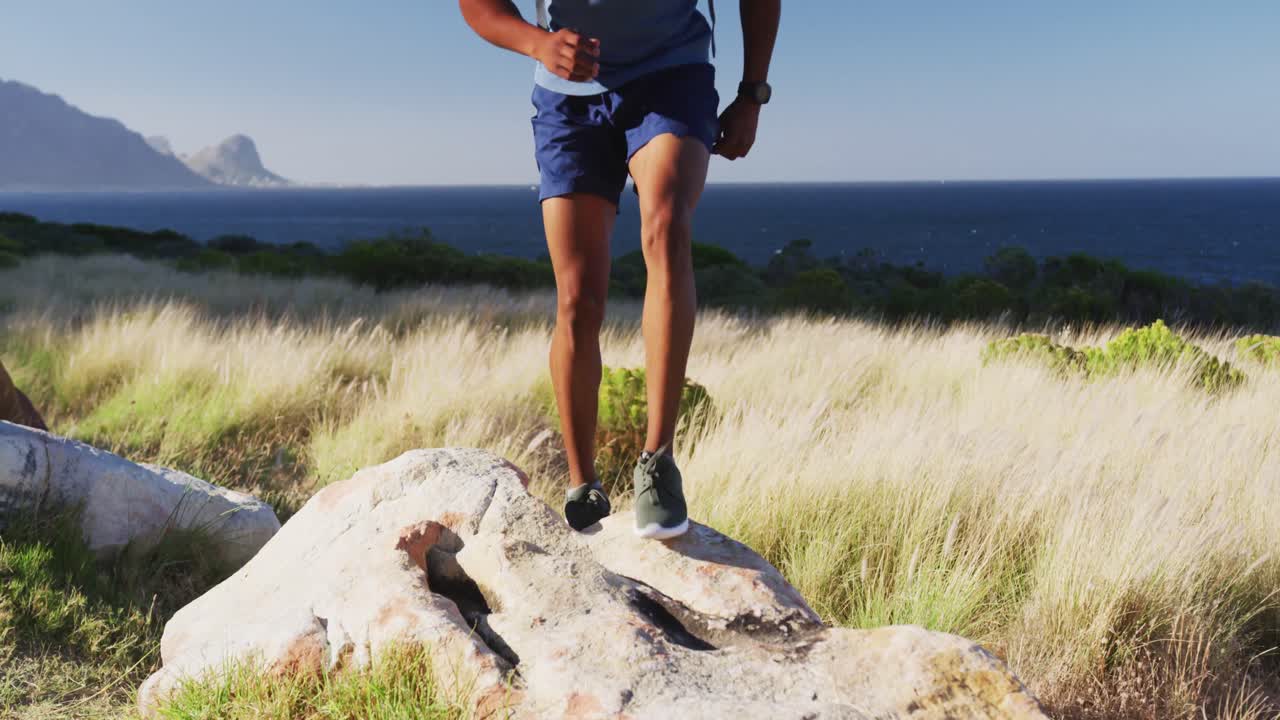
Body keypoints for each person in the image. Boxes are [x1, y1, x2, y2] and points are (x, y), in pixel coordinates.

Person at [459, 0, 780, 539]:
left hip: (672, 76)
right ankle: (583, 485)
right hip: (568, 100)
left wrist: (752, 94)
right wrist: (538, 43)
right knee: (578, 297)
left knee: (666, 227)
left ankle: (658, 462)